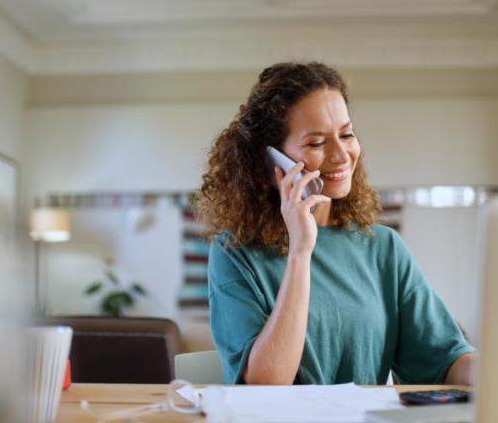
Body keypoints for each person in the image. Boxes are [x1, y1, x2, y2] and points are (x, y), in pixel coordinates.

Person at [195, 62, 476, 385]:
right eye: (317, 143)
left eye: (346, 134)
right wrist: (300, 251)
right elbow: (266, 384)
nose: (342, 155)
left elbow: (446, 356)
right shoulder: (235, 252)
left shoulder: (383, 247)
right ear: (272, 161)